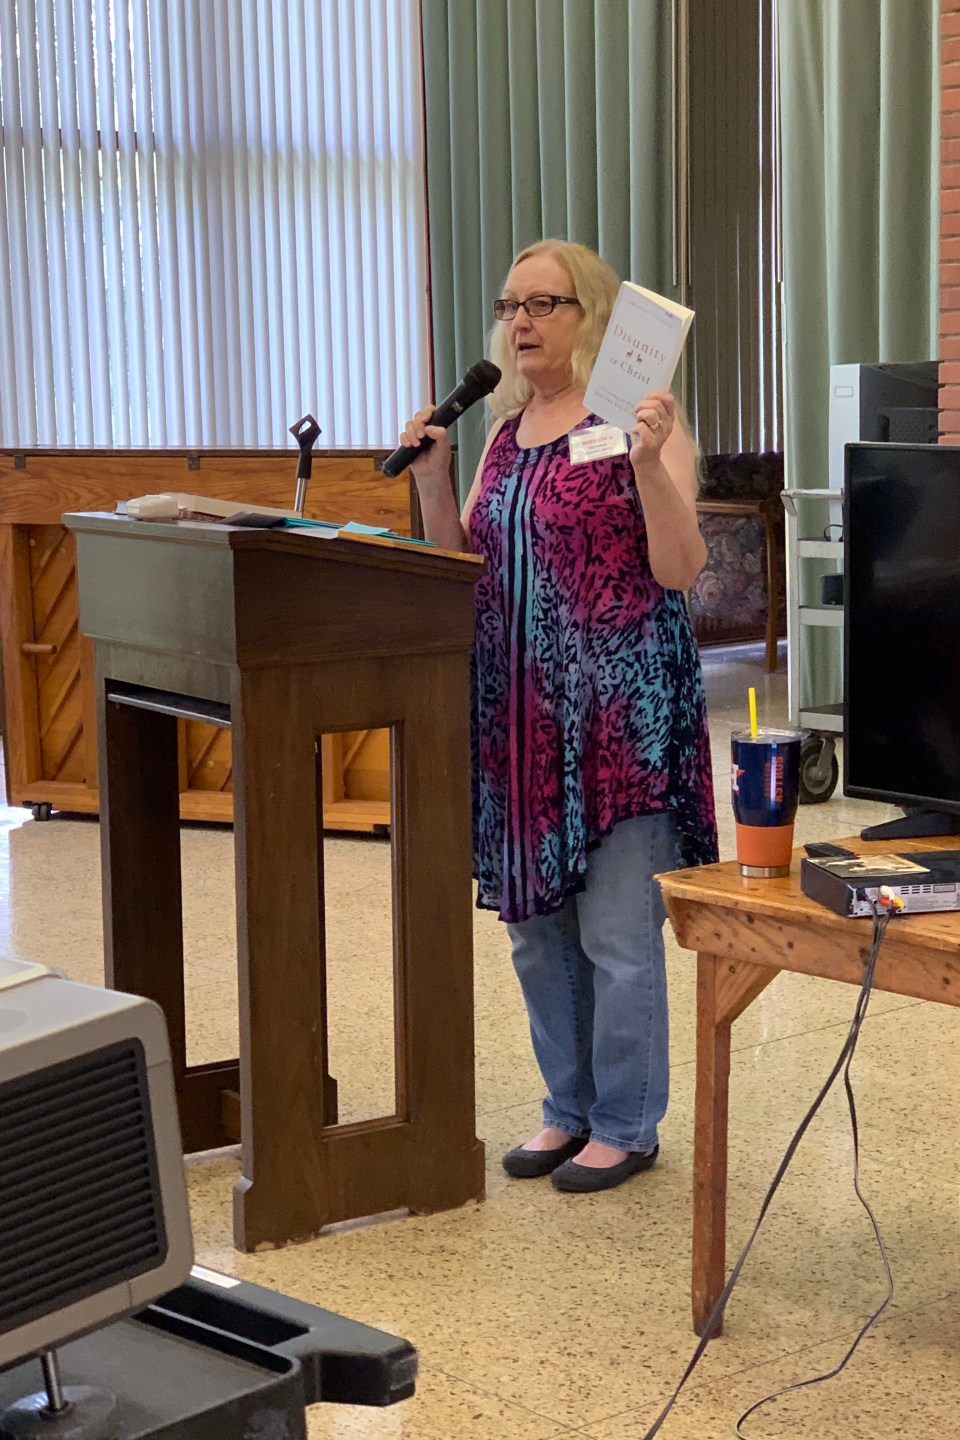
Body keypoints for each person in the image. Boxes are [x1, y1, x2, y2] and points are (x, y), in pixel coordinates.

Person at [401, 239, 718, 1193]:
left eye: (543, 303)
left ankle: (625, 1123)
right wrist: (433, 479)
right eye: (510, 306)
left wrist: (650, 464)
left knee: (615, 934)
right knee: (536, 928)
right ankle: (567, 1108)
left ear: (594, 315)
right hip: (520, 723)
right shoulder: (504, 435)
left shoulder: (640, 421)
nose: (521, 323)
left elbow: (680, 569)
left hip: (618, 723)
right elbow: (463, 571)